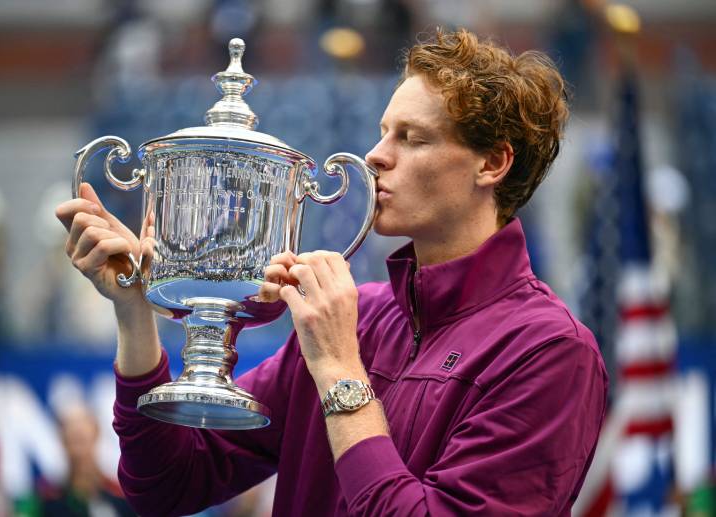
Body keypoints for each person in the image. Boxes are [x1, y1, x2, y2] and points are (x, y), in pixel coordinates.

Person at [56, 29, 608, 516]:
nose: (374, 156)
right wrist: (133, 311)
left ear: (492, 163)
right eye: (383, 131)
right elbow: (166, 486)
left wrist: (342, 369)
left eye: (411, 138)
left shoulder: (550, 351)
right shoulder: (356, 316)